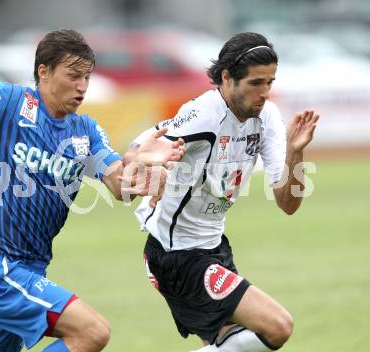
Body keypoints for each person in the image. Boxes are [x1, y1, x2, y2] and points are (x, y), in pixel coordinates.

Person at [0, 29, 185, 352]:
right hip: (0, 269)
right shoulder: (6, 102)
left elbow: (119, 184)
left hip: (28, 270)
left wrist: (145, 166)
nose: (82, 86)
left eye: (87, 78)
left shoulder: (86, 131)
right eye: (73, 75)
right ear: (44, 72)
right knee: (91, 333)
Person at [134, 32, 319, 352]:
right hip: (176, 255)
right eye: (255, 83)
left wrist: (295, 151)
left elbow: (288, 203)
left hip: (214, 249)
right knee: (277, 326)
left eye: (269, 83)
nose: (263, 93)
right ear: (226, 78)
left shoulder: (267, 118)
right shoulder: (203, 115)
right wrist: (153, 168)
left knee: (236, 345)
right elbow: (141, 146)